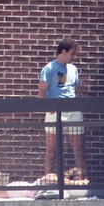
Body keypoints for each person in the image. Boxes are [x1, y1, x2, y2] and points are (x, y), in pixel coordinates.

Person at [38, 39, 88, 181]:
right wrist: (49, 108)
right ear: (63, 52)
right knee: (52, 151)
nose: (74, 57)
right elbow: (41, 93)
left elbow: (75, 89)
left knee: (79, 149)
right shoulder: (49, 68)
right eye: (72, 54)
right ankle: (49, 181)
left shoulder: (73, 69)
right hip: (55, 112)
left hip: (73, 112)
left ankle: (82, 181)